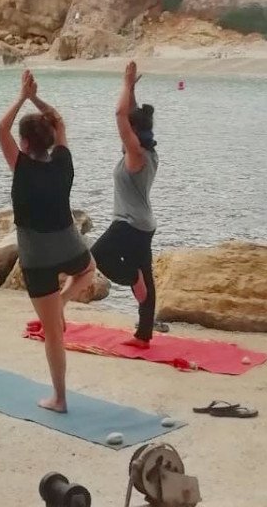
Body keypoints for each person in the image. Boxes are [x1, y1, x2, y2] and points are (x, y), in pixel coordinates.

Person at [0, 70, 98, 414]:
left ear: (24, 144)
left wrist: (23, 96)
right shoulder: (63, 162)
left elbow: (0, 128)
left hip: (37, 257)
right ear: (51, 140)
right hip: (69, 246)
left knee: (54, 333)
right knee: (90, 270)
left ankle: (59, 398)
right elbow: (58, 120)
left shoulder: (21, 166)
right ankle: (66, 298)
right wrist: (36, 100)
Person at [90, 61, 159, 346]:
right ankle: (144, 335)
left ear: (132, 134)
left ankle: (132, 278)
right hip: (143, 224)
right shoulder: (147, 151)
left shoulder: (136, 156)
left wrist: (126, 85)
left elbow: (120, 115)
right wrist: (131, 88)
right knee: (147, 276)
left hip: (128, 224)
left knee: (98, 255)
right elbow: (129, 115)